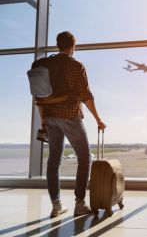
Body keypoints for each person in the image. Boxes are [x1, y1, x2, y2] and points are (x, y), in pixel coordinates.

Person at [42, 31, 106, 217]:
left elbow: (39, 94)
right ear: (73, 47)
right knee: (85, 158)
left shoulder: (47, 64)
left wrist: (44, 120)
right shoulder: (76, 66)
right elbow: (86, 94)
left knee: (54, 161)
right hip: (70, 115)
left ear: (58, 45)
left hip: (50, 117)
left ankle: (56, 205)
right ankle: (79, 204)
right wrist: (98, 119)